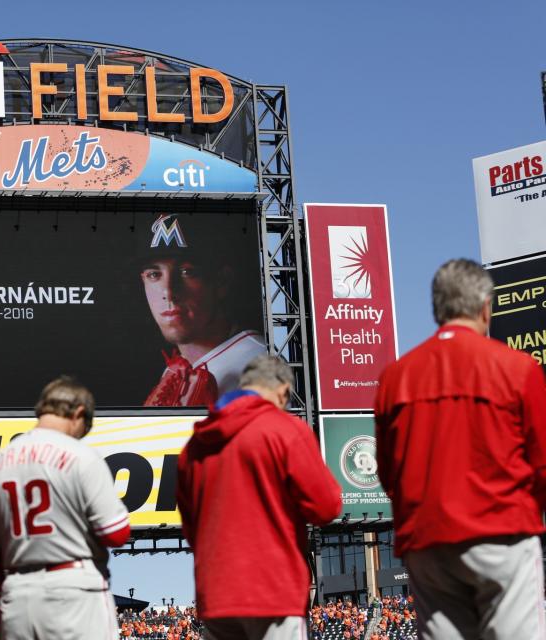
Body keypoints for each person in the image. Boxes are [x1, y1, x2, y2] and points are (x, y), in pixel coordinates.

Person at [375, 258, 546, 639]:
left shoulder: (395, 377)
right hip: (501, 531)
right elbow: (542, 463)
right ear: (486, 308)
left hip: (427, 543)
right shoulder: (517, 367)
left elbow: (387, 473)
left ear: (438, 309)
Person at [177, 355, 342, 639]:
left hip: (216, 592)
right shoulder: (283, 429)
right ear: (282, 391)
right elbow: (326, 507)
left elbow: (191, 527)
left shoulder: (195, 445)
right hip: (271, 588)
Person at [0, 376, 131, 639]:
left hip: (17, 595)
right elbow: (116, 534)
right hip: (74, 590)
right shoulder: (82, 457)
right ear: (78, 414)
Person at [138, 213, 265, 407]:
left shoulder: (261, 363)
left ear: (221, 281)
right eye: (154, 274)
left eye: (187, 272)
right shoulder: (174, 373)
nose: (169, 292)